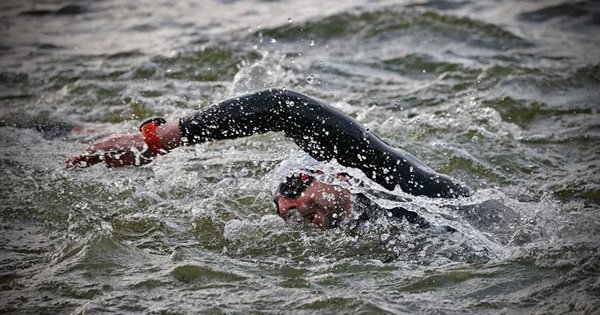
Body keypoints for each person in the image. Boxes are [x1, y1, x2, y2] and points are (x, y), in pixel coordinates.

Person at [66, 88, 471, 229]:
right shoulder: (360, 227)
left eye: (292, 188)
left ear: (326, 169)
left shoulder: (383, 173)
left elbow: (284, 105)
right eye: (285, 211)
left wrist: (158, 140)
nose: (290, 205)